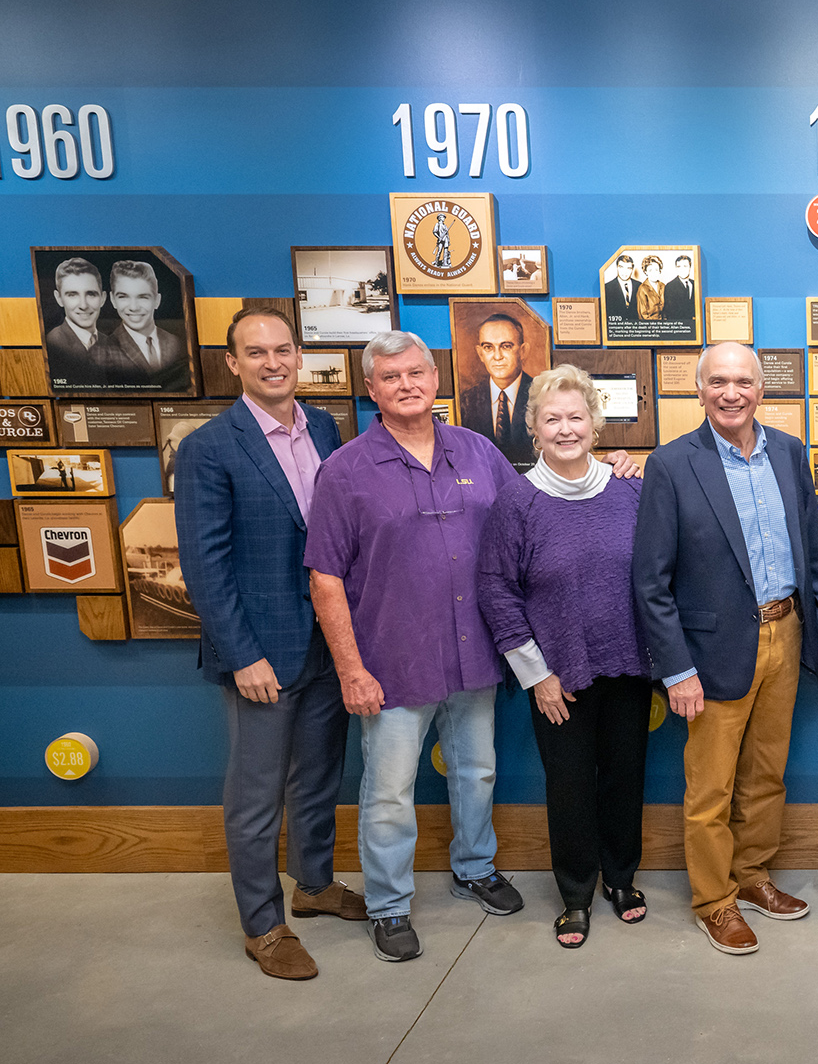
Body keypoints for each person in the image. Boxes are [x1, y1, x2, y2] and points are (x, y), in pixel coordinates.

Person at [306, 331, 531, 963]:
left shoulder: (479, 451)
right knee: (388, 791)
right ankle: (388, 905)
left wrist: (613, 469)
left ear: (435, 379)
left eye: (417, 373)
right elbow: (324, 579)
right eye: (391, 377)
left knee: (477, 771)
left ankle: (474, 867)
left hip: (476, 654)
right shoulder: (345, 470)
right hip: (393, 662)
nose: (407, 385)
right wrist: (351, 670)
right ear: (371, 389)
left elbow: (529, 516)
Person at [632, 342, 818, 956]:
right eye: (718, 381)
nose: (731, 393)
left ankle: (752, 878)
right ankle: (714, 900)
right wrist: (676, 670)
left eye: (743, 381)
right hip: (710, 650)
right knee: (711, 787)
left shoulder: (790, 453)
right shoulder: (672, 464)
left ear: (761, 389)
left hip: (786, 630)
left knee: (766, 775)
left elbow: (813, 547)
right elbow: (650, 582)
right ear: (699, 390)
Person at [175, 306, 357, 980]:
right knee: (255, 796)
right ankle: (263, 924)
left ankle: (312, 886)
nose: (272, 362)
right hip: (260, 651)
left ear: (299, 353)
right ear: (233, 362)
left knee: (319, 778)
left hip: (325, 641)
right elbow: (205, 564)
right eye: (256, 352)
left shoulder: (330, 428)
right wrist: (242, 653)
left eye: (282, 349)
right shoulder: (209, 448)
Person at [478, 365, 654, 949]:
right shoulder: (517, 501)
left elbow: (657, 574)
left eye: (576, 417)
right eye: (551, 418)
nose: (565, 428)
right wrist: (538, 676)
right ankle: (576, 893)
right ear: (533, 428)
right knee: (571, 784)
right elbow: (497, 590)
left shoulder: (632, 489)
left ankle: (622, 880)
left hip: (629, 666)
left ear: (596, 423)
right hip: (558, 675)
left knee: (625, 778)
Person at [457, 312, 536, 469]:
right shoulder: (467, 400)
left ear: (523, 351)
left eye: (506, 346)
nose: (497, 356)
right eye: (488, 348)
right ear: (480, 353)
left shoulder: (540, 395)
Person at [104, 258, 186, 390]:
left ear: (157, 300)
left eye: (143, 297)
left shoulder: (175, 342)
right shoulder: (103, 350)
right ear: (113, 300)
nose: (134, 307)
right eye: (123, 297)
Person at [42, 257, 109, 388]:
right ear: (59, 298)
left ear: (103, 298)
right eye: (72, 294)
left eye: (91, 294)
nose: (83, 305)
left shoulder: (112, 343)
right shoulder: (52, 344)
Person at [603, 255, 641, 326]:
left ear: (632, 269)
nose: (625, 272)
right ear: (617, 267)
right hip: (616, 331)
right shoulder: (607, 287)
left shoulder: (639, 286)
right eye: (621, 267)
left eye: (628, 268)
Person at [665, 255, 698, 323]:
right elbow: (670, 313)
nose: (682, 269)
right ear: (676, 268)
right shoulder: (670, 286)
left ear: (690, 268)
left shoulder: (695, 284)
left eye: (685, 266)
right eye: (679, 266)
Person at [637, 258, 667, 323]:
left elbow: (666, 310)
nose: (654, 273)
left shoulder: (663, 286)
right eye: (650, 270)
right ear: (646, 272)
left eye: (656, 270)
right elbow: (643, 315)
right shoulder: (642, 289)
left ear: (660, 271)